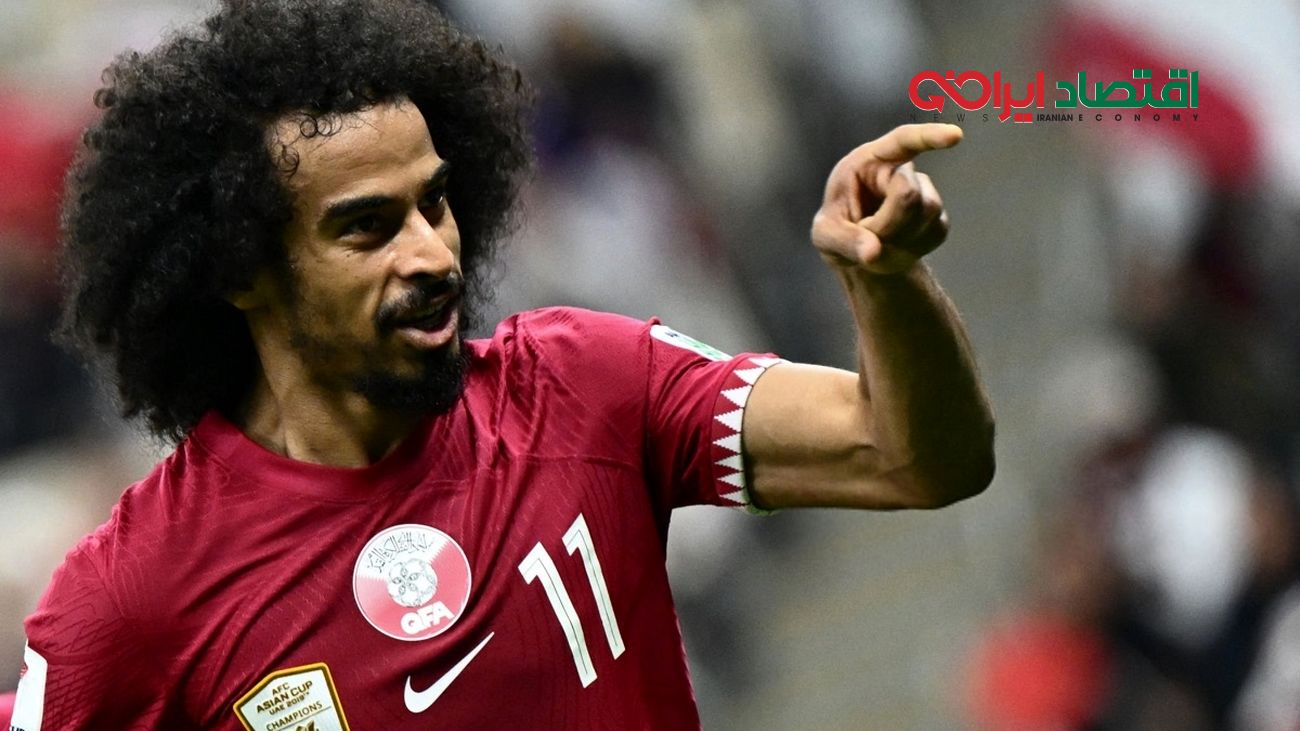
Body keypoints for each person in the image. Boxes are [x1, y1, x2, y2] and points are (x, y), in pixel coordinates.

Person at [9, 1, 995, 729]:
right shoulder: (138, 593)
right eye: (367, 228)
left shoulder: (584, 382)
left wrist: (887, 281)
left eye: (433, 203)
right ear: (238, 271)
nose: (432, 254)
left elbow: (916, 457)